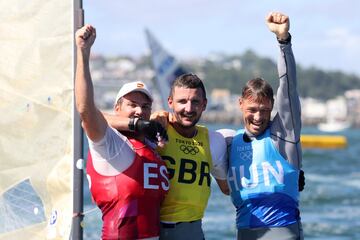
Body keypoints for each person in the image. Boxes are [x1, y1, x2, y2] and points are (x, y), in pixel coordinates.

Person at [106, 73, 229, 240]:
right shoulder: (153, 132)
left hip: (194, 231)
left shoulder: (216, 140)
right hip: (154, 230)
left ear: (204, 104)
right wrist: (142, 123)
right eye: (182, 101)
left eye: (195, 102)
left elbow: (227, 189)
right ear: (170, 102)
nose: (189, 108)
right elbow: (94, 119)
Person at [75, 24, 170, 240]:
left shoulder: (151, 144)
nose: (139, 110)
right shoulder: (109, 142)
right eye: (132, 104)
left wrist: (160, 119)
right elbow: (86, 110)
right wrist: (83, 53)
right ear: (117, 109)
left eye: (145, 107)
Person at [221, 12, 304, 240]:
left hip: (284, 232)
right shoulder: (229, 142)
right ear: (240, 105)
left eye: (265, 111)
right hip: (244, 233)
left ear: (272, 108)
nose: (258, 117)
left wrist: (283, 41)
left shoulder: (284, 137)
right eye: (252, 110)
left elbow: (289, 87)